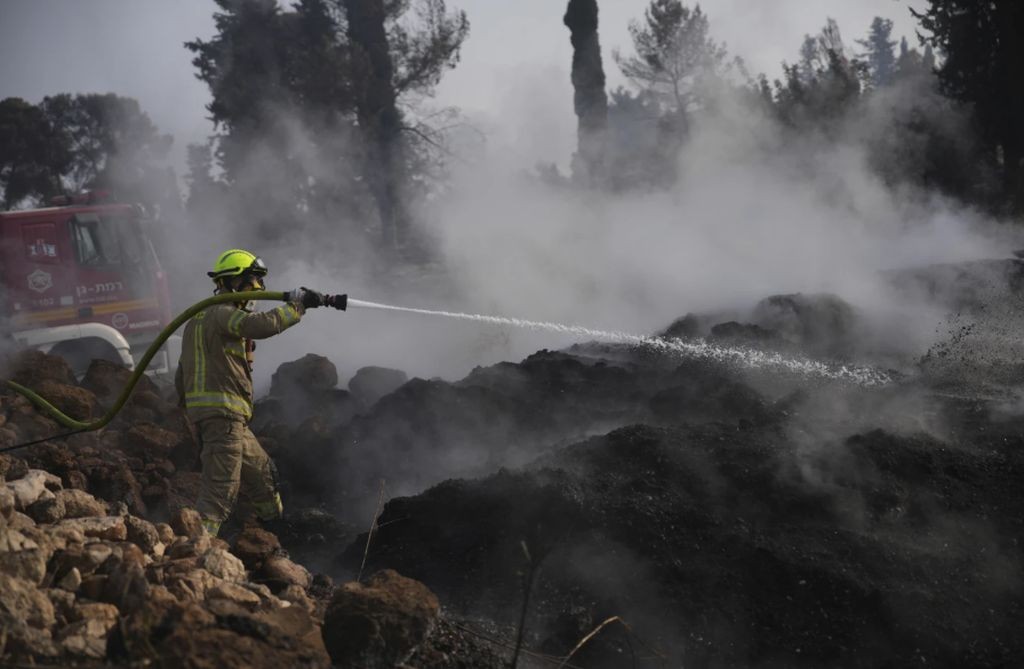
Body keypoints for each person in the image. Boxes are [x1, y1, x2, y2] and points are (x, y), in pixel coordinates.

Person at [174, 248, 326, 536]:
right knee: (219, 493)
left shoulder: (197, 320)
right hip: (222, 417)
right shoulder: (223, 313)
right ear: (233, 281)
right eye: (254, 280)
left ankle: (277, 532)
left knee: (263, 473)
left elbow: (182, 373)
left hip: (228, 419)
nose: (259, 288)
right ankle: (194, 550)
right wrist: (298, 307)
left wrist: (190, 414)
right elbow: (257, 325)